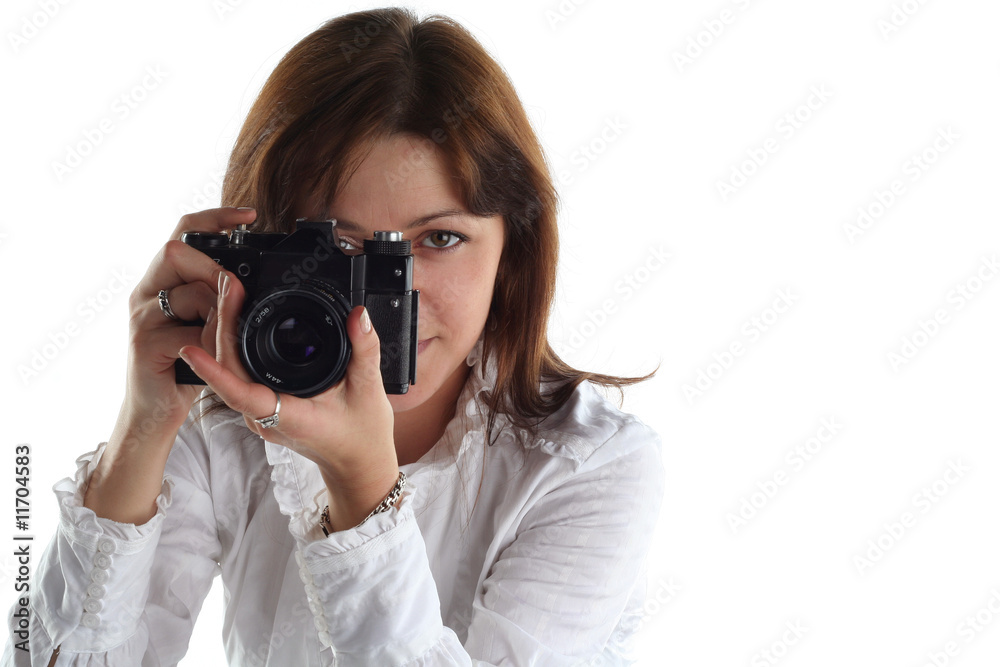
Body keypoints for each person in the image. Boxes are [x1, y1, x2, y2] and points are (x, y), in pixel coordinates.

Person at [3, 7, 663, 666]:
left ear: (511, 256)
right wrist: (144, 426)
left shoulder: (588, 466)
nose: (392, 300)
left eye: (440, 238)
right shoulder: (227, 425)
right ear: (265, 250)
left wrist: (363, 485)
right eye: (341, 245)